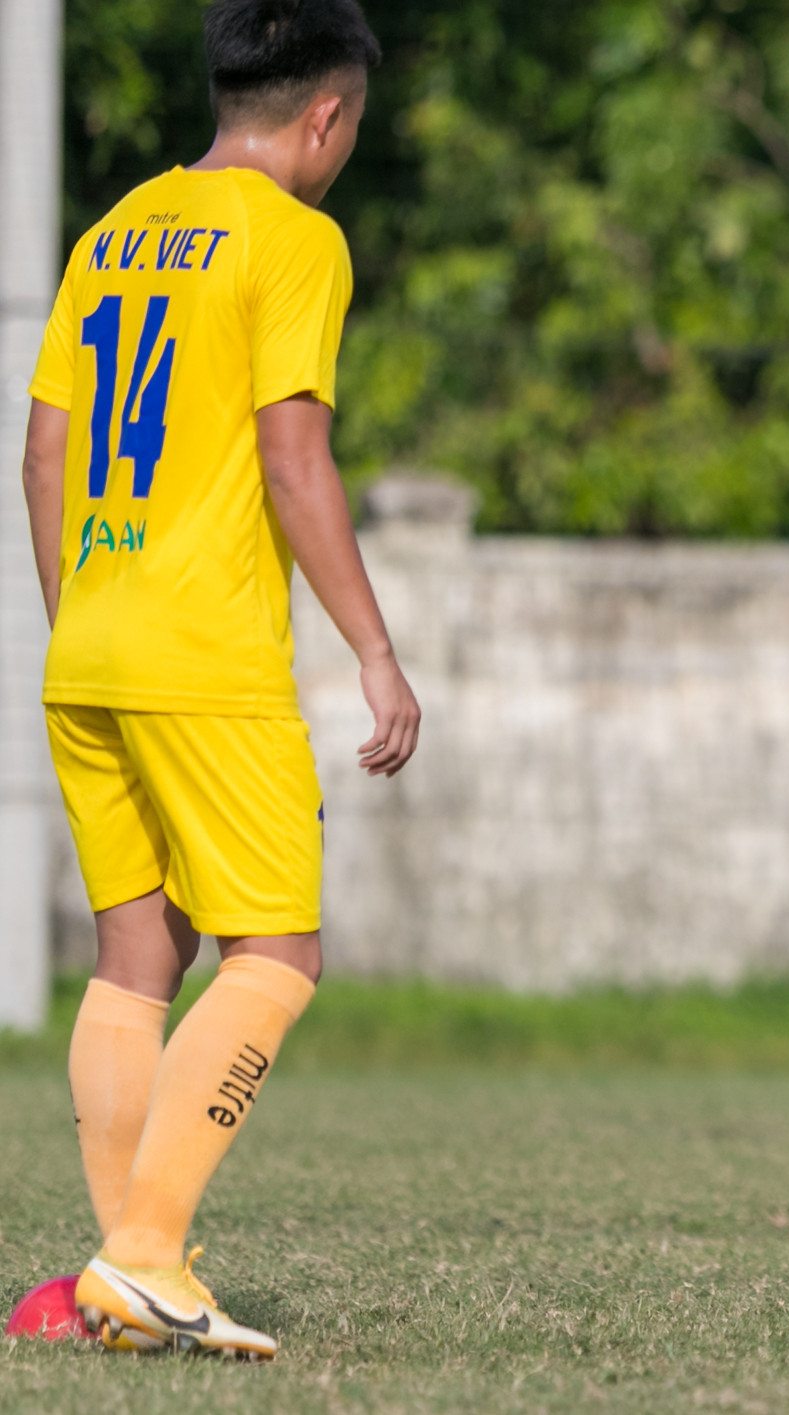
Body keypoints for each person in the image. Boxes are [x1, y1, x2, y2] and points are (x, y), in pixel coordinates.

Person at [17, 0, 415, 1359]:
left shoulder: (113, 229)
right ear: (326, 115)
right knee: (278, 951)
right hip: (206, 658)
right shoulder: (295, 239)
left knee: (140, 950)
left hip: (90, 642)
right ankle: (140, 1252)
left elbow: (41, 453)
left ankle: (113, 1280)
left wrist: (89, 623)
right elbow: (293, 455)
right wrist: (373, 646)